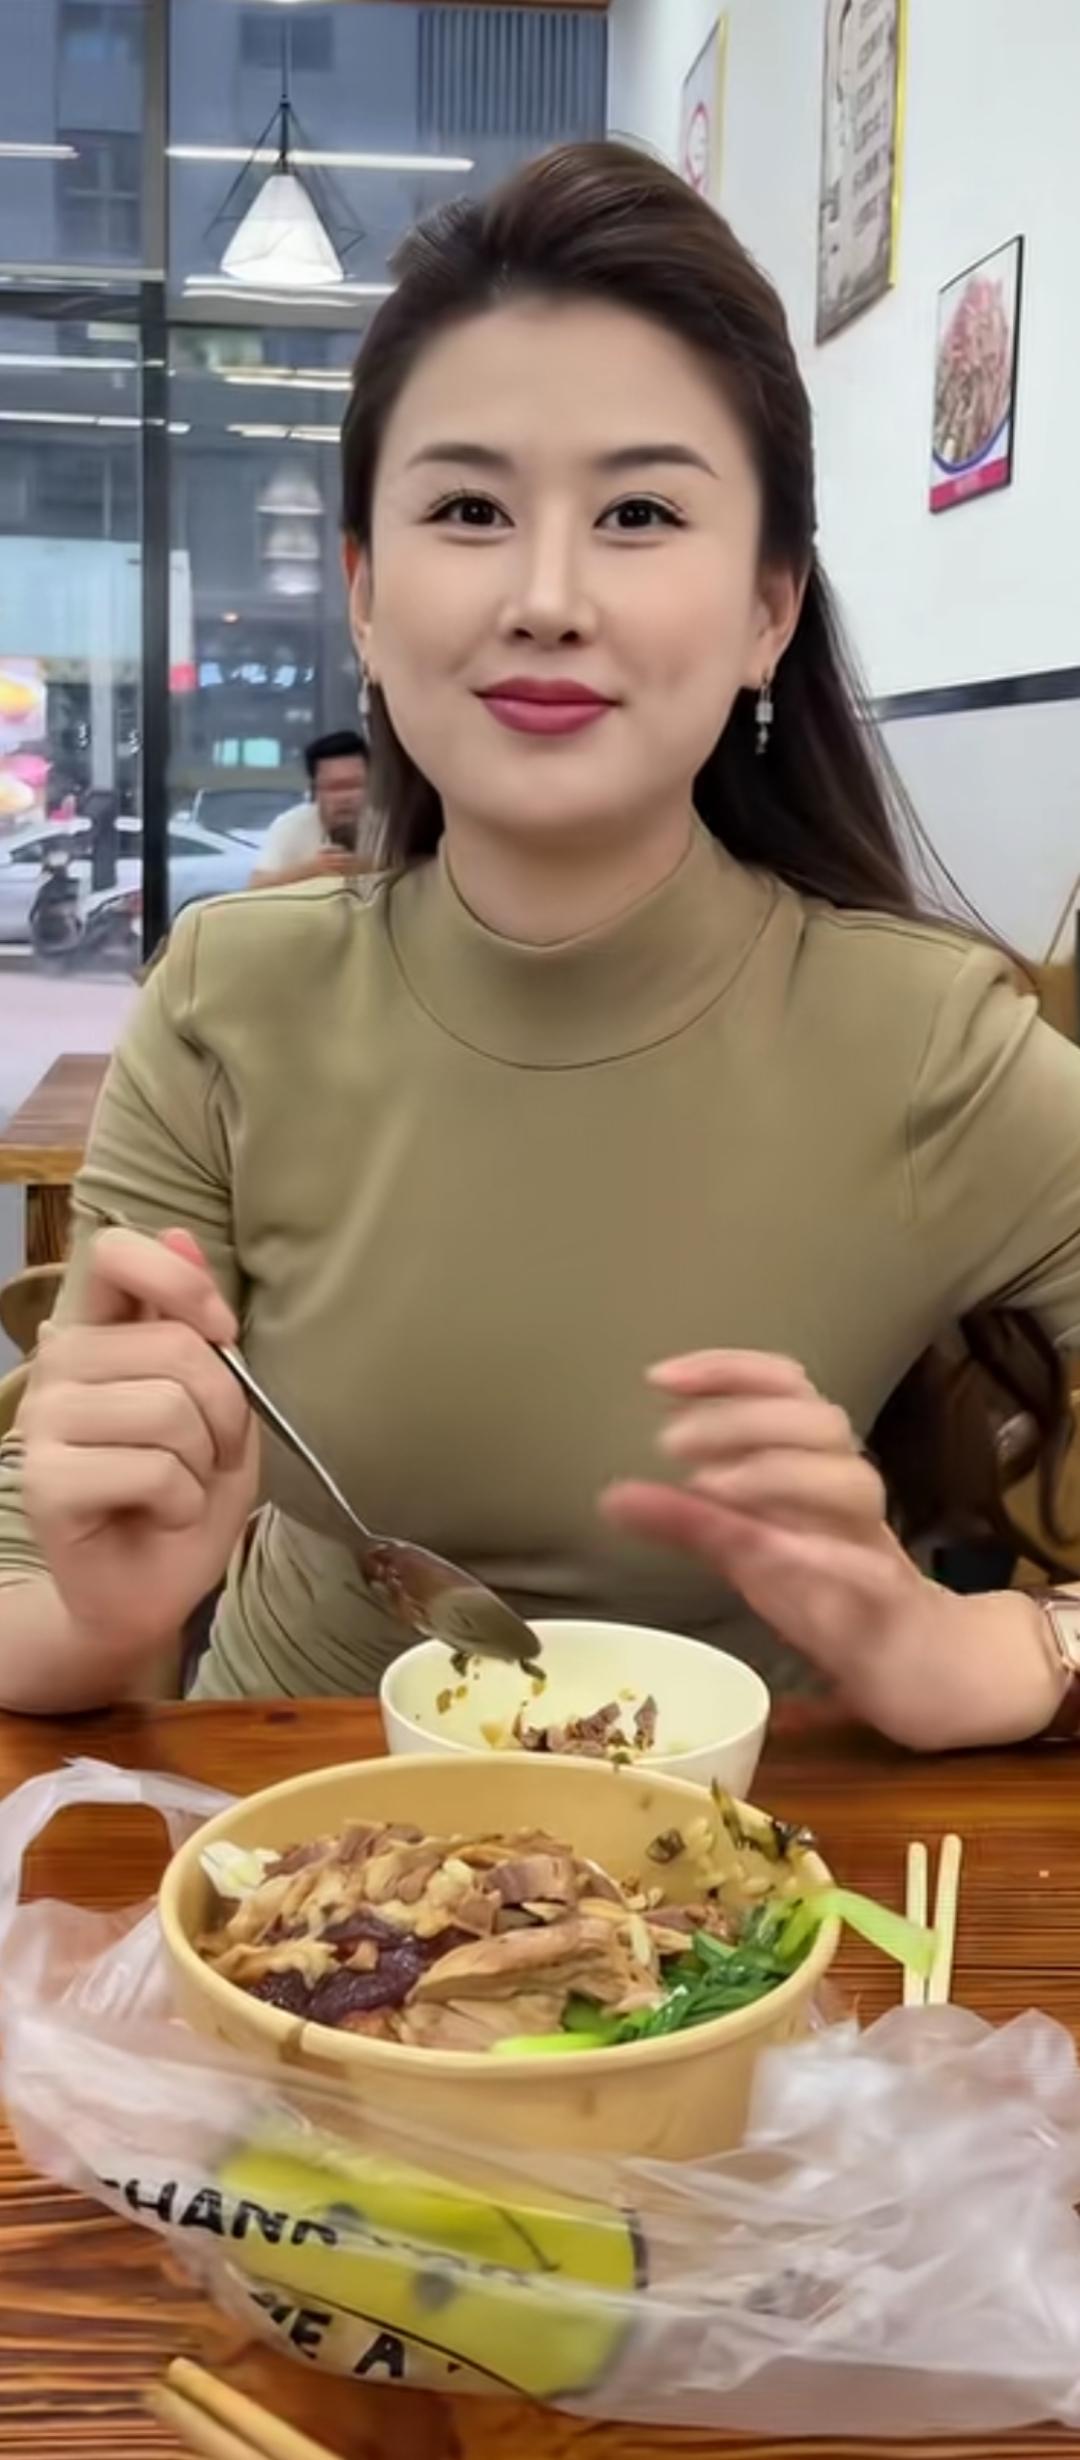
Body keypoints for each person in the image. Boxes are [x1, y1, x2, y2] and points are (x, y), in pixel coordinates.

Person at [2, 141, 1080, 1747]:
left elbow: (986, 1645)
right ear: (366, 596)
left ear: (769, 607)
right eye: (467, 509)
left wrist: (991, 1649)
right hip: (279, 1818)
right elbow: (31, 1584)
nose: (548, 596)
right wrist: (102, 1613)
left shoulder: (933, 1043)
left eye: (640, 510)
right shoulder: (226, 996)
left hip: (756, 1852)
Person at [250, 728, 374, 888]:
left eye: (354, 786)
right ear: (315, 792)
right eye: (333, 788)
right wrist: (311, 870)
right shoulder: (291, 825)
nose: (344, 798)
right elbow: (256, 885)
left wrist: (368, 867)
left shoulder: (391, 824)